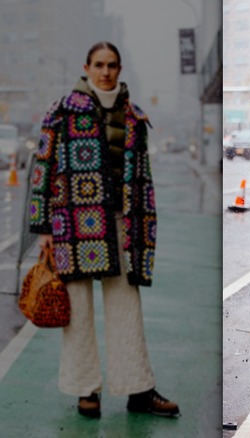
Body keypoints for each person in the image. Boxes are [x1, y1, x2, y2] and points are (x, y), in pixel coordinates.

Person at [28, 42, 179, 419]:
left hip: (121, 225)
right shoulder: (62, 111)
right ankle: (85, 391)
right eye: (99, 65)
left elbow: (141, 175)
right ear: (87, 67)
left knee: (127, 306)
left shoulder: (133, 116)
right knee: (77, 310)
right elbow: (42, 168)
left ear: (120, 68)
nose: (106, 72)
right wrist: (42, 225)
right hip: (72, 226)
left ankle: (138, 388)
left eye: (112, 65)